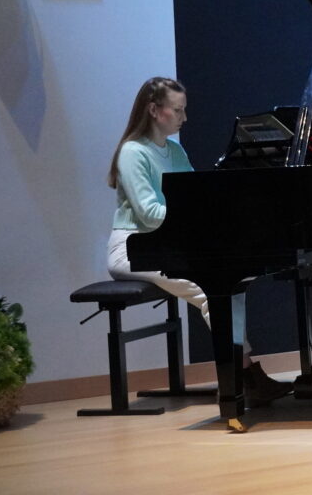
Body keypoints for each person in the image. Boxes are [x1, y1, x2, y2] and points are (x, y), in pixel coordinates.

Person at [107, 76, 291, 407]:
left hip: (164, 244)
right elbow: (148, 214)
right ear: (154, 110)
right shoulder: (133, 153)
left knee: (229, 283)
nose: (184, 118)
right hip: (132, 249)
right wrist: (195, 220)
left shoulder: (174, 150)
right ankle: (243, 377)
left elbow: (195, 199)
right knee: (208, 290)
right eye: (177, 110)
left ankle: (245, 375)